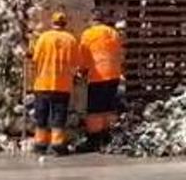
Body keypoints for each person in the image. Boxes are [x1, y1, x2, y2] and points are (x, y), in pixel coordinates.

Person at [30, 12, 81, 155]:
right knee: (58, 115)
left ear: (52, 22)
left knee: (42, 115)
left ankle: (40, 145)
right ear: (65, 23)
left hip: (43, 83)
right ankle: (57, 145)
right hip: (62, 85)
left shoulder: (44, 38)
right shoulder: (71, 40)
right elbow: (76, 63)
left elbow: (35, 58)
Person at [80, 13, 124, 149]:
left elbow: (83, 54)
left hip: (97, 76)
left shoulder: (88, 34)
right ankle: (109, 135)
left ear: (92, 21)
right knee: (109, 107)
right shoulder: (113, 33)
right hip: (114, 75)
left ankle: (94, 138)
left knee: (95, 110)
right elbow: (119, 52)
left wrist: (81, 71)